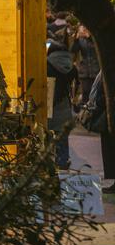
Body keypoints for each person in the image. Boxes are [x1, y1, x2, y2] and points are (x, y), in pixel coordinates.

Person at [49, 14, 77, 169]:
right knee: (63, 138)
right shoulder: (71, 65)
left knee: (50, 135)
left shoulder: (48, 65)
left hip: (51, 105)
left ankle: (54, 164)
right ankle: (64, 161)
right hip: (65, 105)